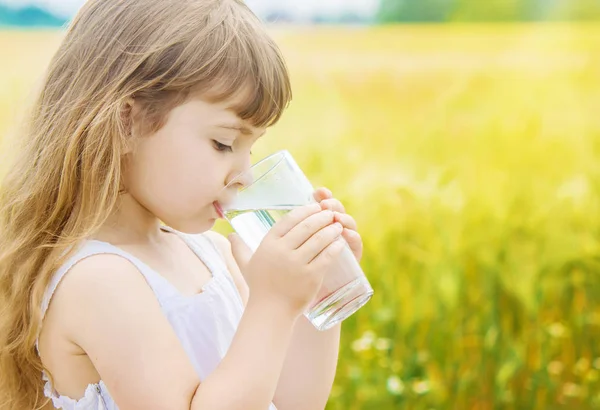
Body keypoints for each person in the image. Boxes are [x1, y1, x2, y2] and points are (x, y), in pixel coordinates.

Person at [0, 1, 364, 409]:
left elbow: (291, 402)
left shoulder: (215, 254)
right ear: (127, 122)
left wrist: (317, 293)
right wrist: (274, 304)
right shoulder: (98, 281)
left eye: (251, 147)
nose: (242, 174)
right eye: (223, 143)